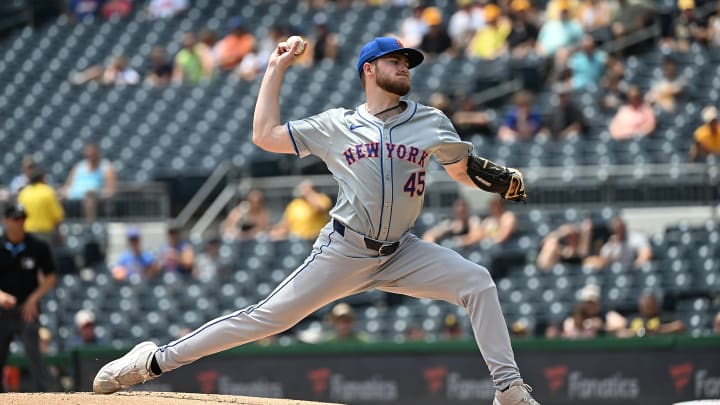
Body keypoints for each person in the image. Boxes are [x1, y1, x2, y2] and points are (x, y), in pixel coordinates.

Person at [93, 36, 538, 404]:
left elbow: (461, 169)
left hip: (403, 250)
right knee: (266, 318)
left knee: (477, 281)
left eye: (408, 62)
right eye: (395, 60)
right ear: (369, 69)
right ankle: (153, 361)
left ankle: (509, 391)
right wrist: (276, 69)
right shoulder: (335, 125)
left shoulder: (431, 121)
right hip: (344, 250)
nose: (405, 67)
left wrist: (493, 178)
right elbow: (264, 136)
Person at [0, 204, 56, 392]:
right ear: (5, 220)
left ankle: (46, 397)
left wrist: (34, 298)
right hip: (2, 311)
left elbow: (51, 275)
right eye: (16, 219)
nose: (20, 223)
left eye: (22, 218)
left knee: (35, 356)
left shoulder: (37, 246)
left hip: (27, 310)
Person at [62, 143, 117, 221]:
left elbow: (110, 190)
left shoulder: (105, 167)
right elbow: (68, 185)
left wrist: (99, 193)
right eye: (88, 155)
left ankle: (89, 227)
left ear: (97, 153)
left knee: (89, 198)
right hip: (73, 197)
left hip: (94, 198)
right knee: (57, 196)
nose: (90, 157)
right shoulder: (79, 166)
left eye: (92, 154)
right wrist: (63, 192)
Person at [584, 216, 652, 270]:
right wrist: (612, 247)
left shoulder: (635, 237)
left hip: (632, 272)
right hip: (615, 273)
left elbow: (646, 254)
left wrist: (633, 267)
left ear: (625, 227)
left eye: (621, 229)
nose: (620, 232)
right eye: (617, 230)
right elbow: (603, 263)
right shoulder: (609, 245)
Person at [18, 169, 65, 245]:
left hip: (27, 231)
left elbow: (19, 213)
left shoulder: (24, 193)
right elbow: (57, 217)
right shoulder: (48, 191)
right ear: (41, 178)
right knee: (44, 255)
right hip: (44, 233)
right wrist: (59, 234)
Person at [561, 284, 625, 339]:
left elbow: (621, 323)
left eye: (593, 303)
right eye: (588, 303)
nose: (590, 306)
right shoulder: (578, 314)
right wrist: (583, 326)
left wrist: (601, 326)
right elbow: (568, 326)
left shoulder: (604, 313)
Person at [615, 292, 685, 338]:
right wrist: (637, 332)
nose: (647, 307)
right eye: (644, 305)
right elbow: (620, 334)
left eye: (650, 305)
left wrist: (657, 330)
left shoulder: (664, 317)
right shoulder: (635, 319)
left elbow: (679, 326)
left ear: (656, 305)